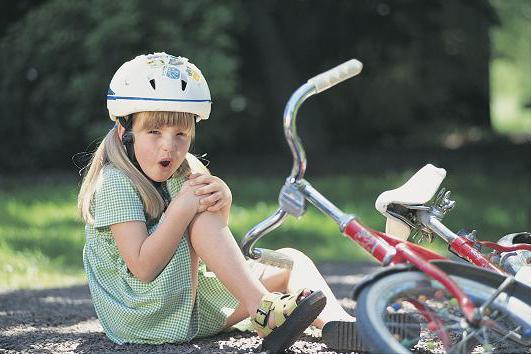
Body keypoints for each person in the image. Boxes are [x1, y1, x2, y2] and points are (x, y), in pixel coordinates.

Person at [78, 52, 365, 353]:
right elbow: (143, 268)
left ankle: (344, 326)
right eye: (154, 132)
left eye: (181, 134)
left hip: (189, 296)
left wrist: (222, 203)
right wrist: (183, 209)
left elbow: (213, 246)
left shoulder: (184, 170)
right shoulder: (114, 182)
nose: (169, 146)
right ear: (125, 132)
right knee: (197, 214)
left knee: (291, 262)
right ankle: (262, 309)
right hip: (143, 314)